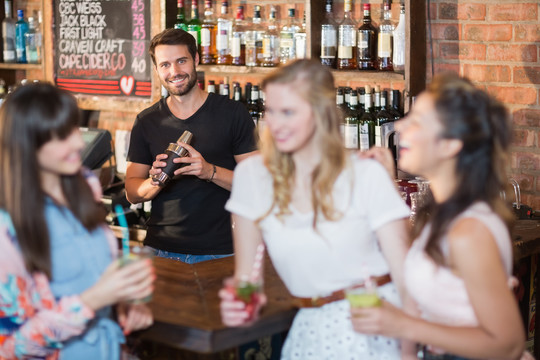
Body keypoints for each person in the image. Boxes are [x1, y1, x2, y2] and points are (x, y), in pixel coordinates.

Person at [219, 59, 410, 359]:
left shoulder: (365, 173)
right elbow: (247, 280)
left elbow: (406, 276)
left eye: (289, 112)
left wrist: (409, 353)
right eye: (271, 111)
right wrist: (241, 306)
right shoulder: (252, 177)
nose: (275, 124)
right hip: (309, 329)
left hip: (376, 326)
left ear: (321, 114)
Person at [350, 73, 526, 360]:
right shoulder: (447, 214)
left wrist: (403, 324)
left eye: (416, 121)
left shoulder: (469, 231)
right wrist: (387, 183)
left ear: (451, 144)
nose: (399, 125)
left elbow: (508, 345)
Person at [0, 83, 155, 360]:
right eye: (60, 136)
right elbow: (11, 348)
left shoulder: (84, 184)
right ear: (26, 146)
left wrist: (123, 304)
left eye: (73, 128)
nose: (76, 142)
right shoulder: (7, 227)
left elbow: (94, 271)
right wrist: (96, 299)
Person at [125, 28, 257, 264]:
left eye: (181, 61)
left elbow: (259, 185)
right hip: (160, 249)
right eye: (165, 65)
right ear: (156, 70)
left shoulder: (232, 113)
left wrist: (209, 172)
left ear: (195, 60)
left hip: (220, 250)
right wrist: (155, 181)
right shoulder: (147, 121)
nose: (174, 72)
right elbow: (132, 193)